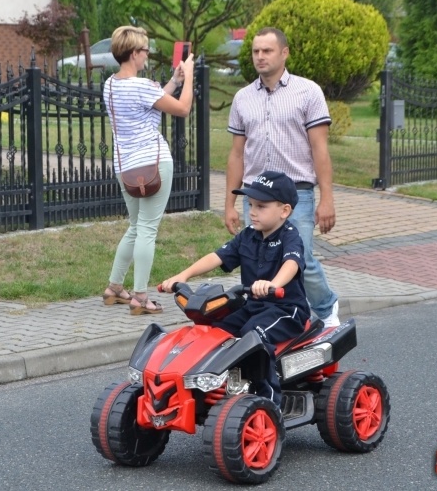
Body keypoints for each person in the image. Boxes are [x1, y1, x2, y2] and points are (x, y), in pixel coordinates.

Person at [161, 170, 309, 407]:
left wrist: (273, 284)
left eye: (261, 206)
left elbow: (291, 263)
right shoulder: (248, 235)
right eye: (250, 204)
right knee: (215, 328)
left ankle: (269, 401)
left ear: (284, 211)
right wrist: (184, 274)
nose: (252, 211)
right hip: (253, 305)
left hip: (285, 309)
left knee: (253, 334)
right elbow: (218, 256)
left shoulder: (290, 237)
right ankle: (213, 387)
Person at [225, 26, 340, 327]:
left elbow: (320, 149)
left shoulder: (308, 92)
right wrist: (229, 204)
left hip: (296, 194)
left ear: (284, 53)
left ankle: (327, 311)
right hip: (257, 195)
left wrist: (327, 199)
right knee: (260, 261)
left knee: (302, 262)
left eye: (267, 51)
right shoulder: (242, 98)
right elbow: (237, 154)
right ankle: (270, 318)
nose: (260, 57)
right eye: (255, 51)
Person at [102, 26, 195, 315]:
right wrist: (188, 78)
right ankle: (140, 297)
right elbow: (182, 108)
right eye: (144, 51)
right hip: (154, 166)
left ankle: (115, 287)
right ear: (133, 53)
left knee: (135, 226)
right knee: (147, 230)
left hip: (126, 167)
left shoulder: (111, 85)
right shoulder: (141, 86)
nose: (147, 56)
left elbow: (150, 101)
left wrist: (172, 81)